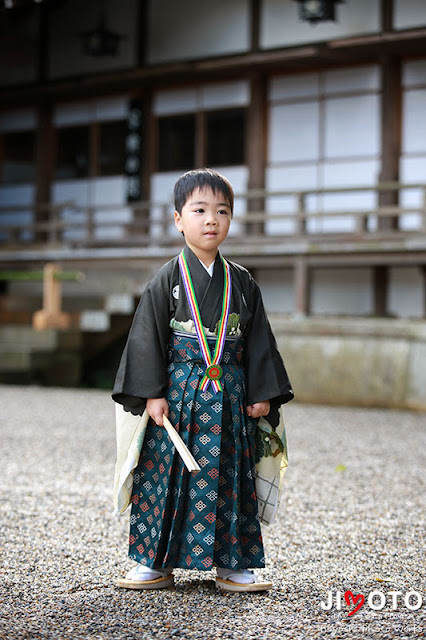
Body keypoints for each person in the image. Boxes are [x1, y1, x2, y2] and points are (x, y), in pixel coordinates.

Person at [112, 168, 293, 592]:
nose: (211, 220)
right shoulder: (166, 279)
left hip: (230, 394)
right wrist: (151, 394)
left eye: (222, 211)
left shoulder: (244, 283)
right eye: (199, 210)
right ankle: (153, 562)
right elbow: (146, 338)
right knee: (165, 474)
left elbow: (260, 342)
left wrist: (262, 392)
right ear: (178, 219)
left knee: (230, 474)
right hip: (177, 395)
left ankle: (232, 565)